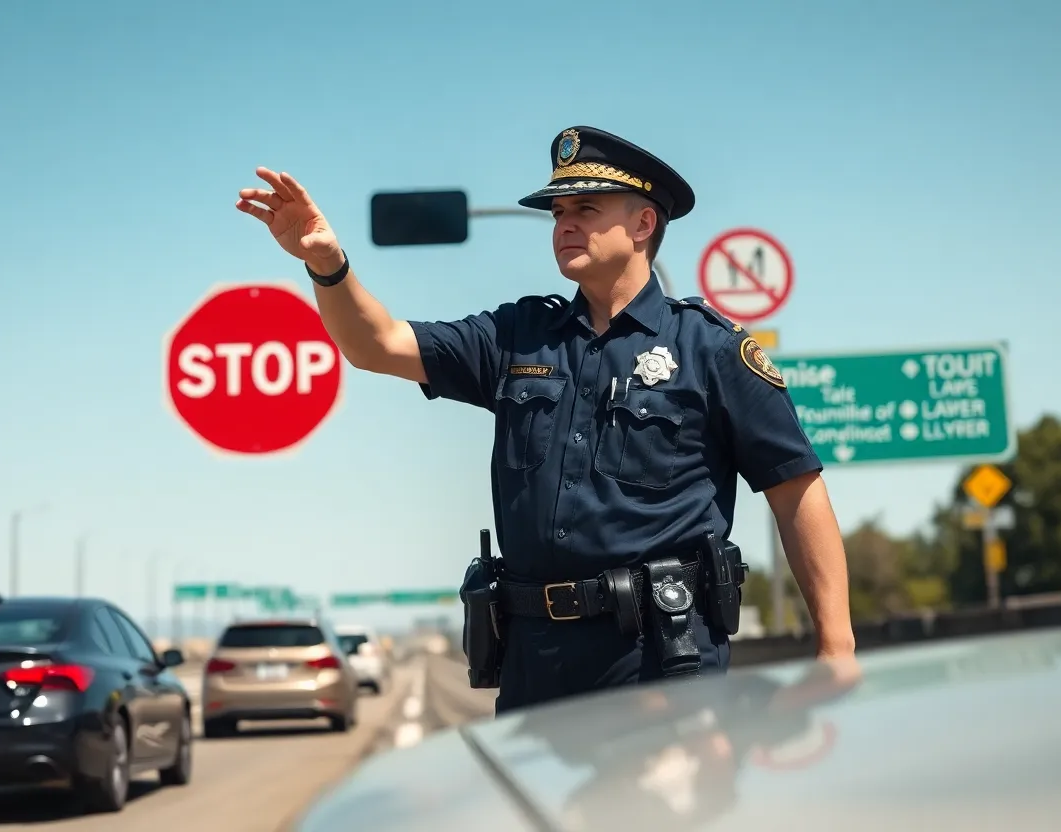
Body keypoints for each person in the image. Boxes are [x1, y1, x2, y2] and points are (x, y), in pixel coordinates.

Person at [235, 125, 857, 714]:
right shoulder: (517, 336)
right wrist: (327, 265)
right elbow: (375, 345)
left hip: (661, 659)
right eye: (558, 214)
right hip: (534, 660)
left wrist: (836, 648)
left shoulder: (711, 350)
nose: (565, 225)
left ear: (644, 223)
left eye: (586, 209)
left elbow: (795, 488)